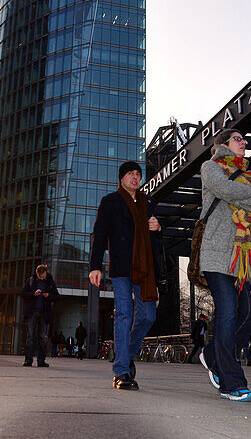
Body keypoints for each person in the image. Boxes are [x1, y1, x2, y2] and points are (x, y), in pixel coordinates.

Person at [197, 128, 251, 402]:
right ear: (223, 144)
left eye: (244, 139)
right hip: (218, 254)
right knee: (228, 313)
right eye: (238, 139)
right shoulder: (210, 166)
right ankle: (232, 382)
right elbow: (222, 188)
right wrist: (247, 194)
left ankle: (213, 356)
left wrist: (242, 194)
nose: (244, 142)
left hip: (248, 257)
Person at [90, 161, 163, 390]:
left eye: (138, 174)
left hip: (145, 270)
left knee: (148, 316)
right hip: (121, 268)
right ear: (121, 178)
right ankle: (121, 372)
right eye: (130, 174)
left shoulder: (148, 202)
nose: (135, 177)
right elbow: (100, 234)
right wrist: (95, 266)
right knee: (123, 314)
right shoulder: (110, 201)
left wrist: (158, 228)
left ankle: (127, 354)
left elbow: (155, 241)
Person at [21, 264, 59, 368]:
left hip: (44, 313)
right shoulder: (31, 280)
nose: (42, 278)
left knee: (42, 337)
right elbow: (23, 293)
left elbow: (56, 296)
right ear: (37, 273)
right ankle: (28, 360)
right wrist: (33, 294)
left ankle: (41, 361)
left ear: (46, 273)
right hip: (32, 312)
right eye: (40, 276)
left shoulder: (50, 281)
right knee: (30, 337)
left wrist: (48, 295)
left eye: (43, 276)